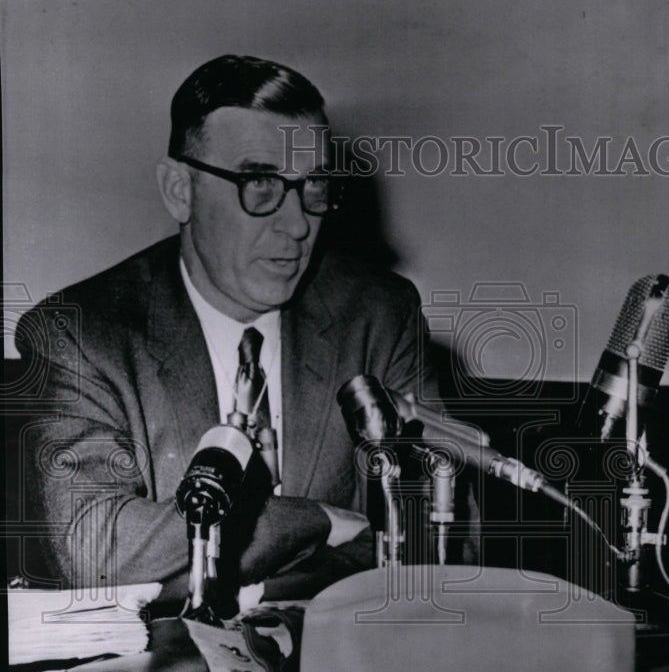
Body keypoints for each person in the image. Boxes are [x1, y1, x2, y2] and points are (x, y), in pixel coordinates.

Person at [16, 54, 458, 605]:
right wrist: (313, 522)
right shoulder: (81, 334)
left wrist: (251, 579)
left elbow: (434, 537)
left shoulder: (379, 314)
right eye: (260, 183)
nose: (298, 225)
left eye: (313, 186)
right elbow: (100, 552)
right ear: (180, 190)